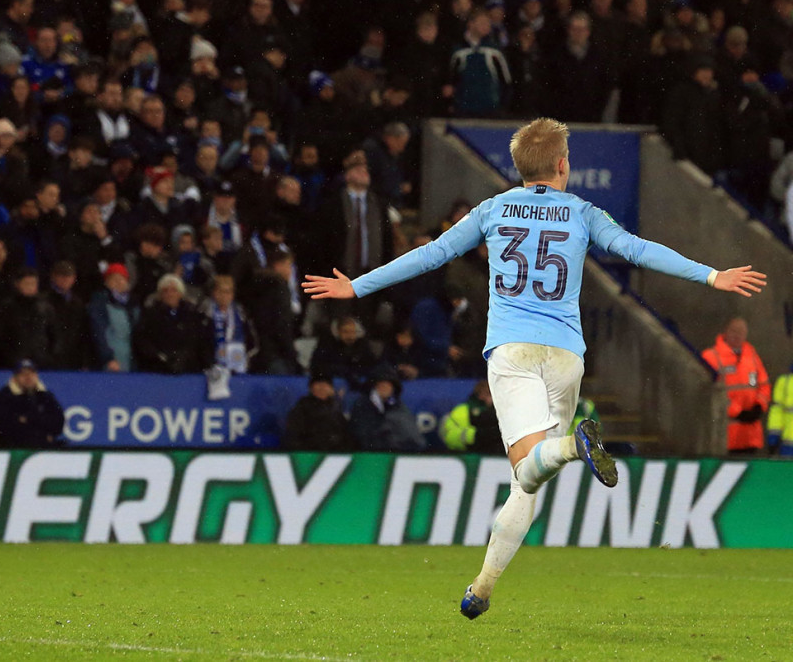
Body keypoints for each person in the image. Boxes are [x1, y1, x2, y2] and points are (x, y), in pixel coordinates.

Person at [303, 117, 766, 619]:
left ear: (519, 167)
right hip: (566, 356)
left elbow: (431, 255)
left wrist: (357, 286)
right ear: (563, 165)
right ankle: (481, 587)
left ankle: (572, 446)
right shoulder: (584, 213)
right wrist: (711, 274)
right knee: (526, 481)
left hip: (513, 352)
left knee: (529, 466)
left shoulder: (493, 209)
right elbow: (637, 250)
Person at [701, 317, 770, 454]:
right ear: (725, 331)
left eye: (741, 332)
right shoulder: (711, 357)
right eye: (734, 330)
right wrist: (736, 411)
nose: (737, 335)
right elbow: (709, 393)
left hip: (751, 435)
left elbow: (764, 385)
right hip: (724, 435)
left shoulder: (751, 355)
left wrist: (759, 406)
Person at [0, 359, 65, 448]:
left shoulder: (45, 396)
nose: (28, 377)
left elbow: (58, 423)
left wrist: (27, 419)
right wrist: (42, 429)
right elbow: (5, 426)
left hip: (42, 448)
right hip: (11, 449)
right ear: (15, 378)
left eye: (31, 373)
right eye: (23, 373)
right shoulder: (5, 396)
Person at [348, 364, 427, 452]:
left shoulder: (398, 406)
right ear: (374, 386)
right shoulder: (363, 405)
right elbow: (362, 435)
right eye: (381, 384)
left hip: (397, 453)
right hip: (370, 455)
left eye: (389, 384)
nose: (385, 388)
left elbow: (413, 436)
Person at [283, 372, 355, 451]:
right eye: (318, 384)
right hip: (309, 453)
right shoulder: (302, 407)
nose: (322, 388)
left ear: (331, 389)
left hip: (335, 455)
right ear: (311, 388)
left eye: (325, 385)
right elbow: (294, 436)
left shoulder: (338, 408)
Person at [441, 380, 503, 454]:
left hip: (469, 446)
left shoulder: (465, 407)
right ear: (480, 395)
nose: (493, 398)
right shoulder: (473, 410)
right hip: (465, 448)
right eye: (489, 394)